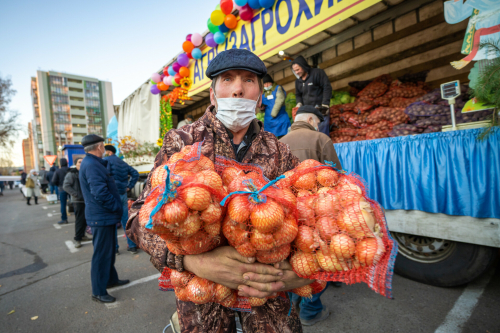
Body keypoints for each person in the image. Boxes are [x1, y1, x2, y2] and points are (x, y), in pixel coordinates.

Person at [126, 49, 311, 333]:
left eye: (249, 80)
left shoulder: (279, 151)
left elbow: (306, 220)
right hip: (203, 307)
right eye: (227, 79)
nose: (238, 89)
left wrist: (299, 271)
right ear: (213, 94)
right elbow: (139, 219)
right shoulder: (183, 141)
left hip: (269, 306)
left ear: (260, 96)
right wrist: (192, 260)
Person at [279, 105, 343, 326]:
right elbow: (336, 175)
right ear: (309, 119)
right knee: (317, 259)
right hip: (317, 213)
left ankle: (293, 302)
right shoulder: (320, 139)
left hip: (286, 213)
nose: (318, 124)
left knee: (292, 256)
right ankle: (310, 309)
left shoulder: (279, 142)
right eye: (317, 120)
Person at [79, 134, 129, 303]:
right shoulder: (92, 165)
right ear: (99, 147)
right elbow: (100, 193)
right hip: (101, 217)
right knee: (101, 255)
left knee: (107, 252)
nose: (103, 147)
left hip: (103, 216)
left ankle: (110, 279)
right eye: (103, 145)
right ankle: (98, 292)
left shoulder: (92, 163)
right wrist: (117, 207)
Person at [104, 144, 139, 254]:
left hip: (112, 194)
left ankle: (115, 248)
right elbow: (135, 173)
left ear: (109, 152)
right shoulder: (122, 162)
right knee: (125, 220)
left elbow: (105, 176)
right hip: (123, 193)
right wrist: (129, 186)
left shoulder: (105, 161)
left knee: (113, 220)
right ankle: (132, 246)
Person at [291, 55, 332, 136]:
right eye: (294, 70)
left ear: (303, 66)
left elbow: (327, 87)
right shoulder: (298, 81)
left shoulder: (318, 73)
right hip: (307, 112)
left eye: (298, 69)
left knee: (322, 133)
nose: (296, 72)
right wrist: (299, 103)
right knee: (310, 135)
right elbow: (298, 94)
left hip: (320, 110)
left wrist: (325, 104)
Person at [63, 158, 91, 248]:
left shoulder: (85, 172)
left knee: (85, 219)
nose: (81, 163)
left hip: (86, 199)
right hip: (78, 200)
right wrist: (76, 194)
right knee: (79, 219)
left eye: (83, 161)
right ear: (75, 164)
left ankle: (82, 236)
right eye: (79, 162)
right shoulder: (72, 173)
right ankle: (77, 239)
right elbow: (66, 186)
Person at [259, 74, 291, 138]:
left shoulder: (278, 88)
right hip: (269, 122)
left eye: (268, 83)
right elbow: (261, 104)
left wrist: (273, 113)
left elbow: (280, 100)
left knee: (283, 138)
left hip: (280, 118)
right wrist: (261, 108)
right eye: (265, 84)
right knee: (271, 140)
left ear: (271, 82)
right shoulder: (263, 93)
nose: (267, 85)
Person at [52, 159, 69, 224]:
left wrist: (59, 185)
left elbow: (53, 181)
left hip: (62, 189)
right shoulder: (70, 169)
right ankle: (77, 217)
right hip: (71, 189)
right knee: (74, 203)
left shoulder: (58, 171)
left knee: (63, 204)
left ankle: (64, 219)